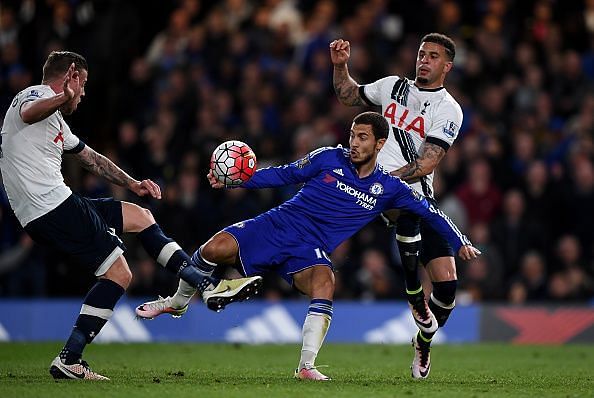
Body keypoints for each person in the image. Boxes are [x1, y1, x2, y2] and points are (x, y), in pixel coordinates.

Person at [135, 111, 480, 381]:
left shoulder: (390, 188)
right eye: (352, 135)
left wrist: (459, 241)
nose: (354, 143)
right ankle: (177, 302)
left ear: (379, 145)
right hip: (276, 225)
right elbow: (283, 174)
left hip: (308, 248)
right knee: (213, 249)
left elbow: (431, 213)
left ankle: (306, 365)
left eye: (362, 138)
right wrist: (238, 179)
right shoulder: (329, 158)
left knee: (325, 281)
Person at [0, 51, 261, 381]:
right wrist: (60, 97)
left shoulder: (55, 120)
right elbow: (28, 111)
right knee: (119, 274)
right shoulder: (36, 97)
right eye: (83, 86)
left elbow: (90, 158)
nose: (83, 94)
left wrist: (132, 183)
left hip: (53, 205)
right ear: (72, 77)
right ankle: (207, 286)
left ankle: (203, 285)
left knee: (140, 217)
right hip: (50, 207)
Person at [330, 33, 463, 379]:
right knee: (402, 211)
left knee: (447, 286)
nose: (424, 60)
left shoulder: (449, 110)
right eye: (421, 53)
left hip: (413, 190)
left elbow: (428, 161)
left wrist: (390, 181)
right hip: (372, 188)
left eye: (432, 56)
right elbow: (348, 95)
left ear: (446, 66)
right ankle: (414, 294)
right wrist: (341, 66)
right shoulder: (393, 87)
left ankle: (423, 340)